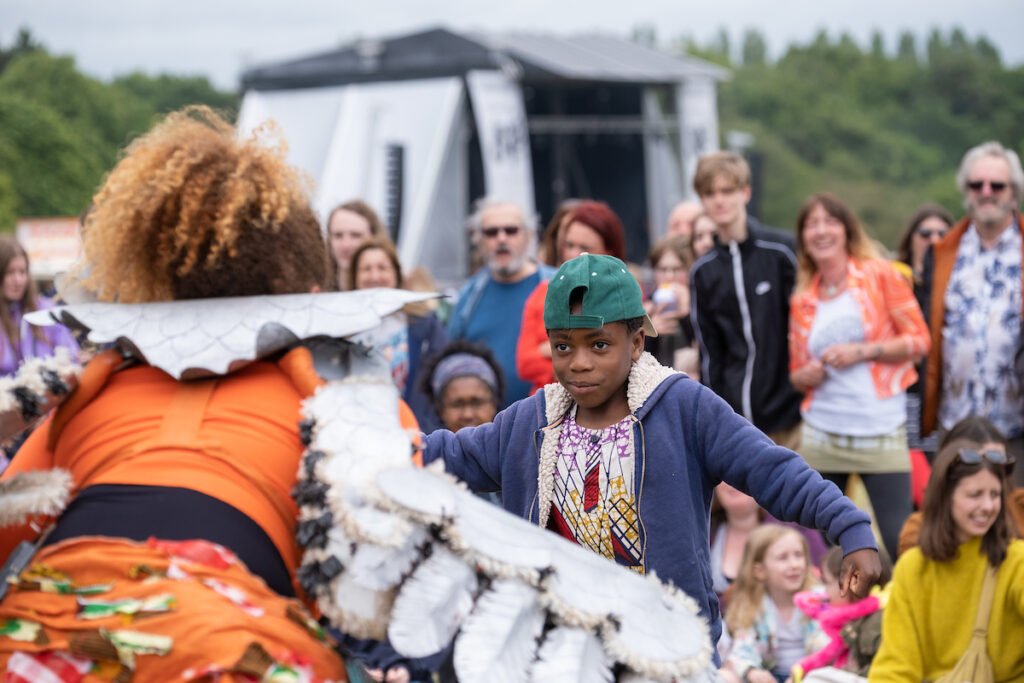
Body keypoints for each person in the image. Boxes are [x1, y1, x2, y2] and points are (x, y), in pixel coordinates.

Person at [0, 107, 346, 679]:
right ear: (301, 287)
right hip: (228, 642)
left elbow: (10, 520)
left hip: (56, 634)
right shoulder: (337, 398)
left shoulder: (95, 387)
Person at [423, 253, 882, 662]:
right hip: (560, 653)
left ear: (637, 342)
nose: (579, 362)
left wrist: (850, 527)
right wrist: (380, 446)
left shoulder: (684, 408)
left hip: (667, 650)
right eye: (564, 346)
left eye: (598, 345)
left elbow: (772, 470)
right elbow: (445, 455)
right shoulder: (529, 423)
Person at [788, 193, 930, 561]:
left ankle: (896, 611)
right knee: (822, 540)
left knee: (899, 537)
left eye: (829, 221)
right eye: (811, 224)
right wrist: (811, 373)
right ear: (803, 237)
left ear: (846, 229)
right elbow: (796, 375)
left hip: (879, 426)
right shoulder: (804, 296)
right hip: (823, 429)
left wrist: (863, 352)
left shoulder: (879, 274)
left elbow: (919, 340)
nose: (820, 231)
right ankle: (834, 615)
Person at [869, 432, 1024, 682]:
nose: (988, 506)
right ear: (945, 497)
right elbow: (895, 666)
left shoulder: (1016, 560)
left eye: (995, 495)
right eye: (975, 495)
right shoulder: (913, 568)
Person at [922, 141, 1023, 485]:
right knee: (950, 529)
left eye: (997, 185)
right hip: (954, 426)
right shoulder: (944, 252)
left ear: (1014, 192)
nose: (986, 192)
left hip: (1015, 427)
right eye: (976, 184)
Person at [689, 152, 803, 449]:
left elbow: (805, 327)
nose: (719, 201)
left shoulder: (781, 251)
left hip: (794, 415)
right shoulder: (703, 272)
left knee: (801, 496)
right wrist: (718, 416)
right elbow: (710, 353)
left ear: (745, 193)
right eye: (710, 193)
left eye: (727, 191)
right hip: (738, 422)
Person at [447, 199, 554, 406]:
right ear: (478, 240)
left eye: (511, 230)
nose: (501, 238)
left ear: (529, 236)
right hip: (484, 426)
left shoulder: (556, 285)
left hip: (548, 420)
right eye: (491, 232)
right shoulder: (469, 296)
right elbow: (451, 359)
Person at [516, 200, 626, 394]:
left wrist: (549, 350)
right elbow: (525, 364)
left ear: (609, 251)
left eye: (585, 247)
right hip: (549, 406)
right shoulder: (543, 293)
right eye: (569, 245)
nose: (575, 254)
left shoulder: (624, 294)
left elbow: (619, 361)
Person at [349, 237, 447, 432]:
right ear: (355, 277)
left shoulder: (424, 324)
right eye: (366, 269)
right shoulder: (343, 328)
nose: (374, 275)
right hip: (361, 432)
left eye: (382, 267)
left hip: (415, 432)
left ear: (396, 274)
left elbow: (442, 378)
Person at [896, 416, 1024, 556]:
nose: (991, 471)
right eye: (975, 494)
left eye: (1000, 461)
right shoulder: (917, 531)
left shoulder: (1019, 506)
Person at [721, 525, 827, 683]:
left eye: (798, 555)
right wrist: (752, 672)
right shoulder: (753, 605)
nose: (794, 565)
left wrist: (804, 674)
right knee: (724, 677)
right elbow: (742, 649)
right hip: (771, 676)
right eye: (783, 558)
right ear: (760, 571)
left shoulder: (819, 599)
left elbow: (829, 647)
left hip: (812, 674)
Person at [894, 204, 955, 460]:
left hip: (947, 402)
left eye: (943, 234)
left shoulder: (960, 290)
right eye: (925, 233)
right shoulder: (894, 283)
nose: (934, 240)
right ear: (911, 240)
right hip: (902, 401)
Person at [710, 482, 827, 605]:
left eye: (741, 472)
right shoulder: (699, 533)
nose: (733, 480)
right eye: (725, 475)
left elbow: (824, 583)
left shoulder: (795, 527)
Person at [790, 546, 888, 681]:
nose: (825, 591)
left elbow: (885, 671)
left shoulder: (878, 623)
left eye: (828, 583)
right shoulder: (851, 623)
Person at [0, 236, 79, 379]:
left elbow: (72, 361)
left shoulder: (46, 312)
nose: (18, 280)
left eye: (22, 272)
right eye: (10, 273)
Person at [420, 340, 504, 433]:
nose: (468, 415)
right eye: (456, 404)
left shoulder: (513, 446)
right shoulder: (420, 446)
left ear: (494, 404)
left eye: (477, 403)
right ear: (440, 410)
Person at [645, 234, 698, 374]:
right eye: (662, 269)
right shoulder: (645, 308)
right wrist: (650, 332)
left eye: (677, 269)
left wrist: (687, 314)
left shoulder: (701, 305)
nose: (669, 276)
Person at [326, 198, 389, 291]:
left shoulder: (392, 288)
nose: (346, 245)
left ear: (374, 238)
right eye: (338, 235)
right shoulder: (317, 289)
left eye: (356, 235)